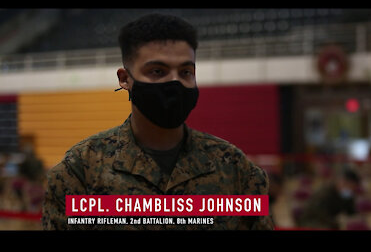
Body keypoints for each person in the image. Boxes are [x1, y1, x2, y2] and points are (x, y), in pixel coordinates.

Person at [42, 13, 274, 230]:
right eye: (157, 71)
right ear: (125, 79)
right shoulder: (79, 172)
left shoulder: (237, 170)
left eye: (185, 72)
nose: (175, 83)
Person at [297, 167, 361, 230]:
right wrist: (337, 223)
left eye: (353, 187)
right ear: (342, 182)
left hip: (331, 221)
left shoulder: (347, 193)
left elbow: (350, 212)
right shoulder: (324, 193)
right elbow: (319, 214)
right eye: (349, 186)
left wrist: (353, 218)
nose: (350, 189)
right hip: (313, 221)